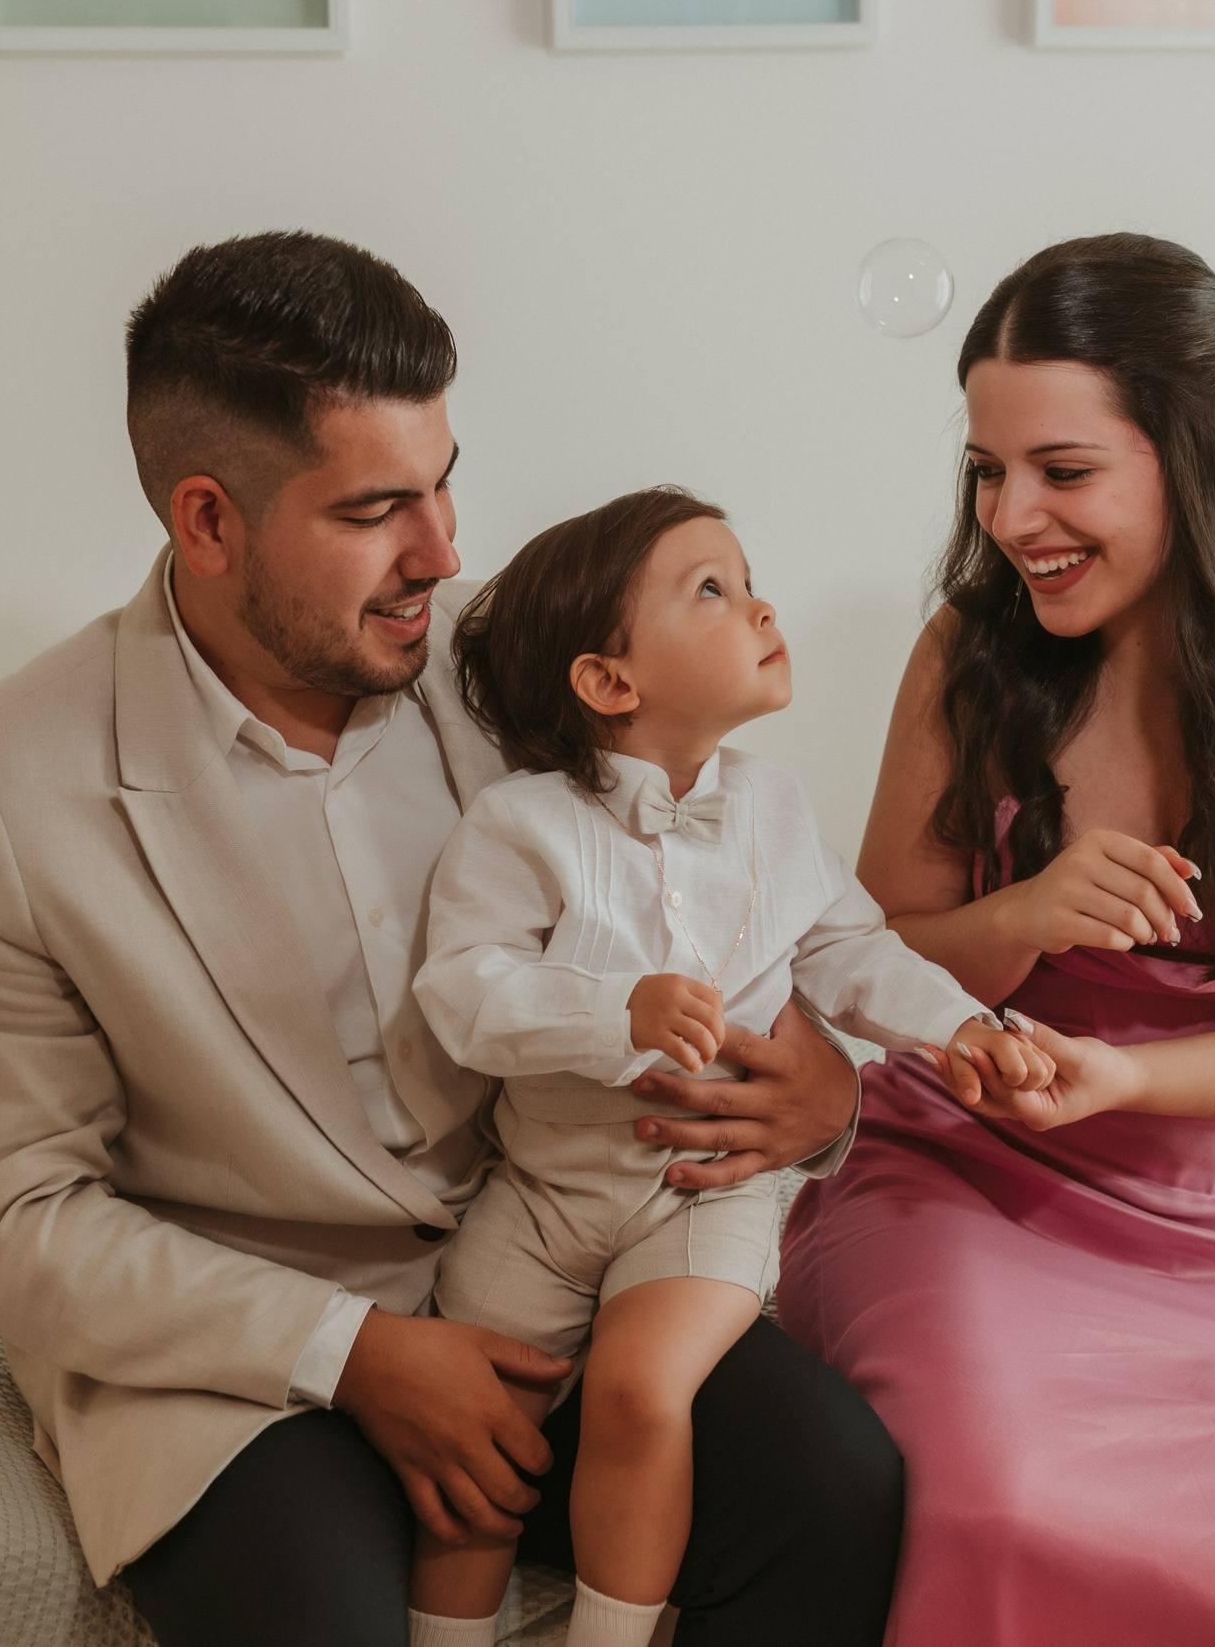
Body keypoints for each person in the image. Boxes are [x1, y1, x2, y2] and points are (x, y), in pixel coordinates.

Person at [0, 231, 904, 1647]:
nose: (445, 552)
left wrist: (827, 1094)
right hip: (244, 1351)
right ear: (209, 521)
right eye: (375, 511)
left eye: (445, 482)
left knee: (835, 1490)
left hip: (569, 1247)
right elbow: (9, 1218)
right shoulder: (2, 781)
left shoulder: (518, 668)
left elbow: (739, 898)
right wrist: (353, 1352)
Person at [775, 233, 1215, 1645]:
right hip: (957, 1178)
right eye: (987, 470)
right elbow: (862, 959)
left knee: (1211, 1552)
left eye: (1063, 470)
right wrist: (1022, 917)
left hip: (1205, 1228)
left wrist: (1130, 1077)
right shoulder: (969, 652)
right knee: (999, 1493)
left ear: (1192, 453)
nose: (1012, 515)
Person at [406, 489, 1041, 1647]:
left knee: (643, 1390)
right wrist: (617, 1010)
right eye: (712, 587)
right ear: (609, 681)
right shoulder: (520, 826)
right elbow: (462, 992)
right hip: (544, 1195)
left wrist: (961, 1026)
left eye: (746, 578)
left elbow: (851, 951)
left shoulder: (775, 810)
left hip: (703, 1190)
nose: (759, 604)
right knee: (479, 1448)